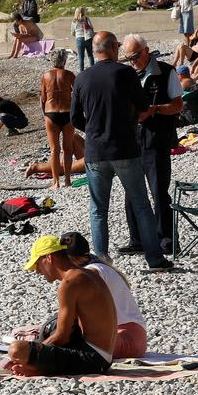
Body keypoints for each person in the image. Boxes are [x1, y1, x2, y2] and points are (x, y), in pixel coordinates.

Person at [70, 31, 172, 270]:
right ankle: (154, 259)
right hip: (125, 146)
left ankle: (102, 260)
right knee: (141, 204)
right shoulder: (125, 73)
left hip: (96, 151)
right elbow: (143, 106)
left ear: (94, 51)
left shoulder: (82, 78)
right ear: (114, 48)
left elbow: (75, 118)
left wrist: (94, 130)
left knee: (98, 209)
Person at [5, 235, 118, 376]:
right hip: (104, 355)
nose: (37, 271)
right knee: (52, 325)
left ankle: (33, 367)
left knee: (16, 349)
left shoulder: (70, 283)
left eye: (37, 264)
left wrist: (36, 352)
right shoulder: (88, 273)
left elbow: (62, 336)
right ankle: (34, 367)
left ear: (49, 258)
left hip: (93, 359)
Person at [117, 34, 184, 258]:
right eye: (129, 58)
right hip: (132, 139)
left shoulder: (166, 72)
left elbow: (177, 105)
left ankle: (166, 239)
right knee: (131, 192)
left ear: (147, 50)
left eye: (136, 56)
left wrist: (154, 109)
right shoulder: (126, 75)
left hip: (157, 139)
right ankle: (137, 239)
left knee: (158, 191)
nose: (133, 61)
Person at [40, 50, 76, 187]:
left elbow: (43, 98)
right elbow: (78, 94)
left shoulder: (45, 76)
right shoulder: (69, 75)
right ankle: (67, 180)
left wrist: (44, 114)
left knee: (54, 149)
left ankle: (56, 182)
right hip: (67, 112)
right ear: (64, 60)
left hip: (51, 113)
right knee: (68, 148)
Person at [71, 6, 95, 71]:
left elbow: (72, 32)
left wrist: (76, 35)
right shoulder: (86, 19)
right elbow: (91, 27)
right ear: (83, 11)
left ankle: (81, 72)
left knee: (81, 57)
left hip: (79, 39)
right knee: (90, 55)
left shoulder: (74, 21)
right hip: (88, 38)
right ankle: (93, 70)